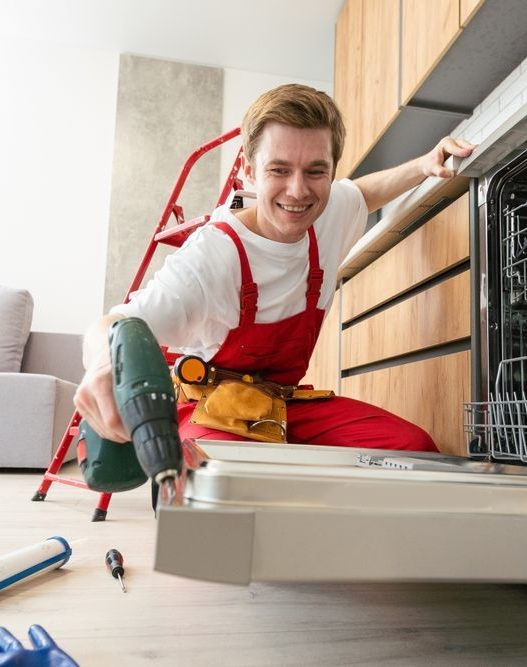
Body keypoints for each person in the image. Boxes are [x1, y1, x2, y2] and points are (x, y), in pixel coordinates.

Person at [75, 83, 474, 451]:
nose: (298, 191)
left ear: (331, 170)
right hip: (215, 414)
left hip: (284, 405)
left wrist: (423, 165)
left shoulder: (329, 210)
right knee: (217, 476)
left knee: (412, 448)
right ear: (249, 171)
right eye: (279, 170)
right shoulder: (213, 254)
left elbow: (363, 193)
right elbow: (116, 323)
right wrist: (106, 364)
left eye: (316, 171)